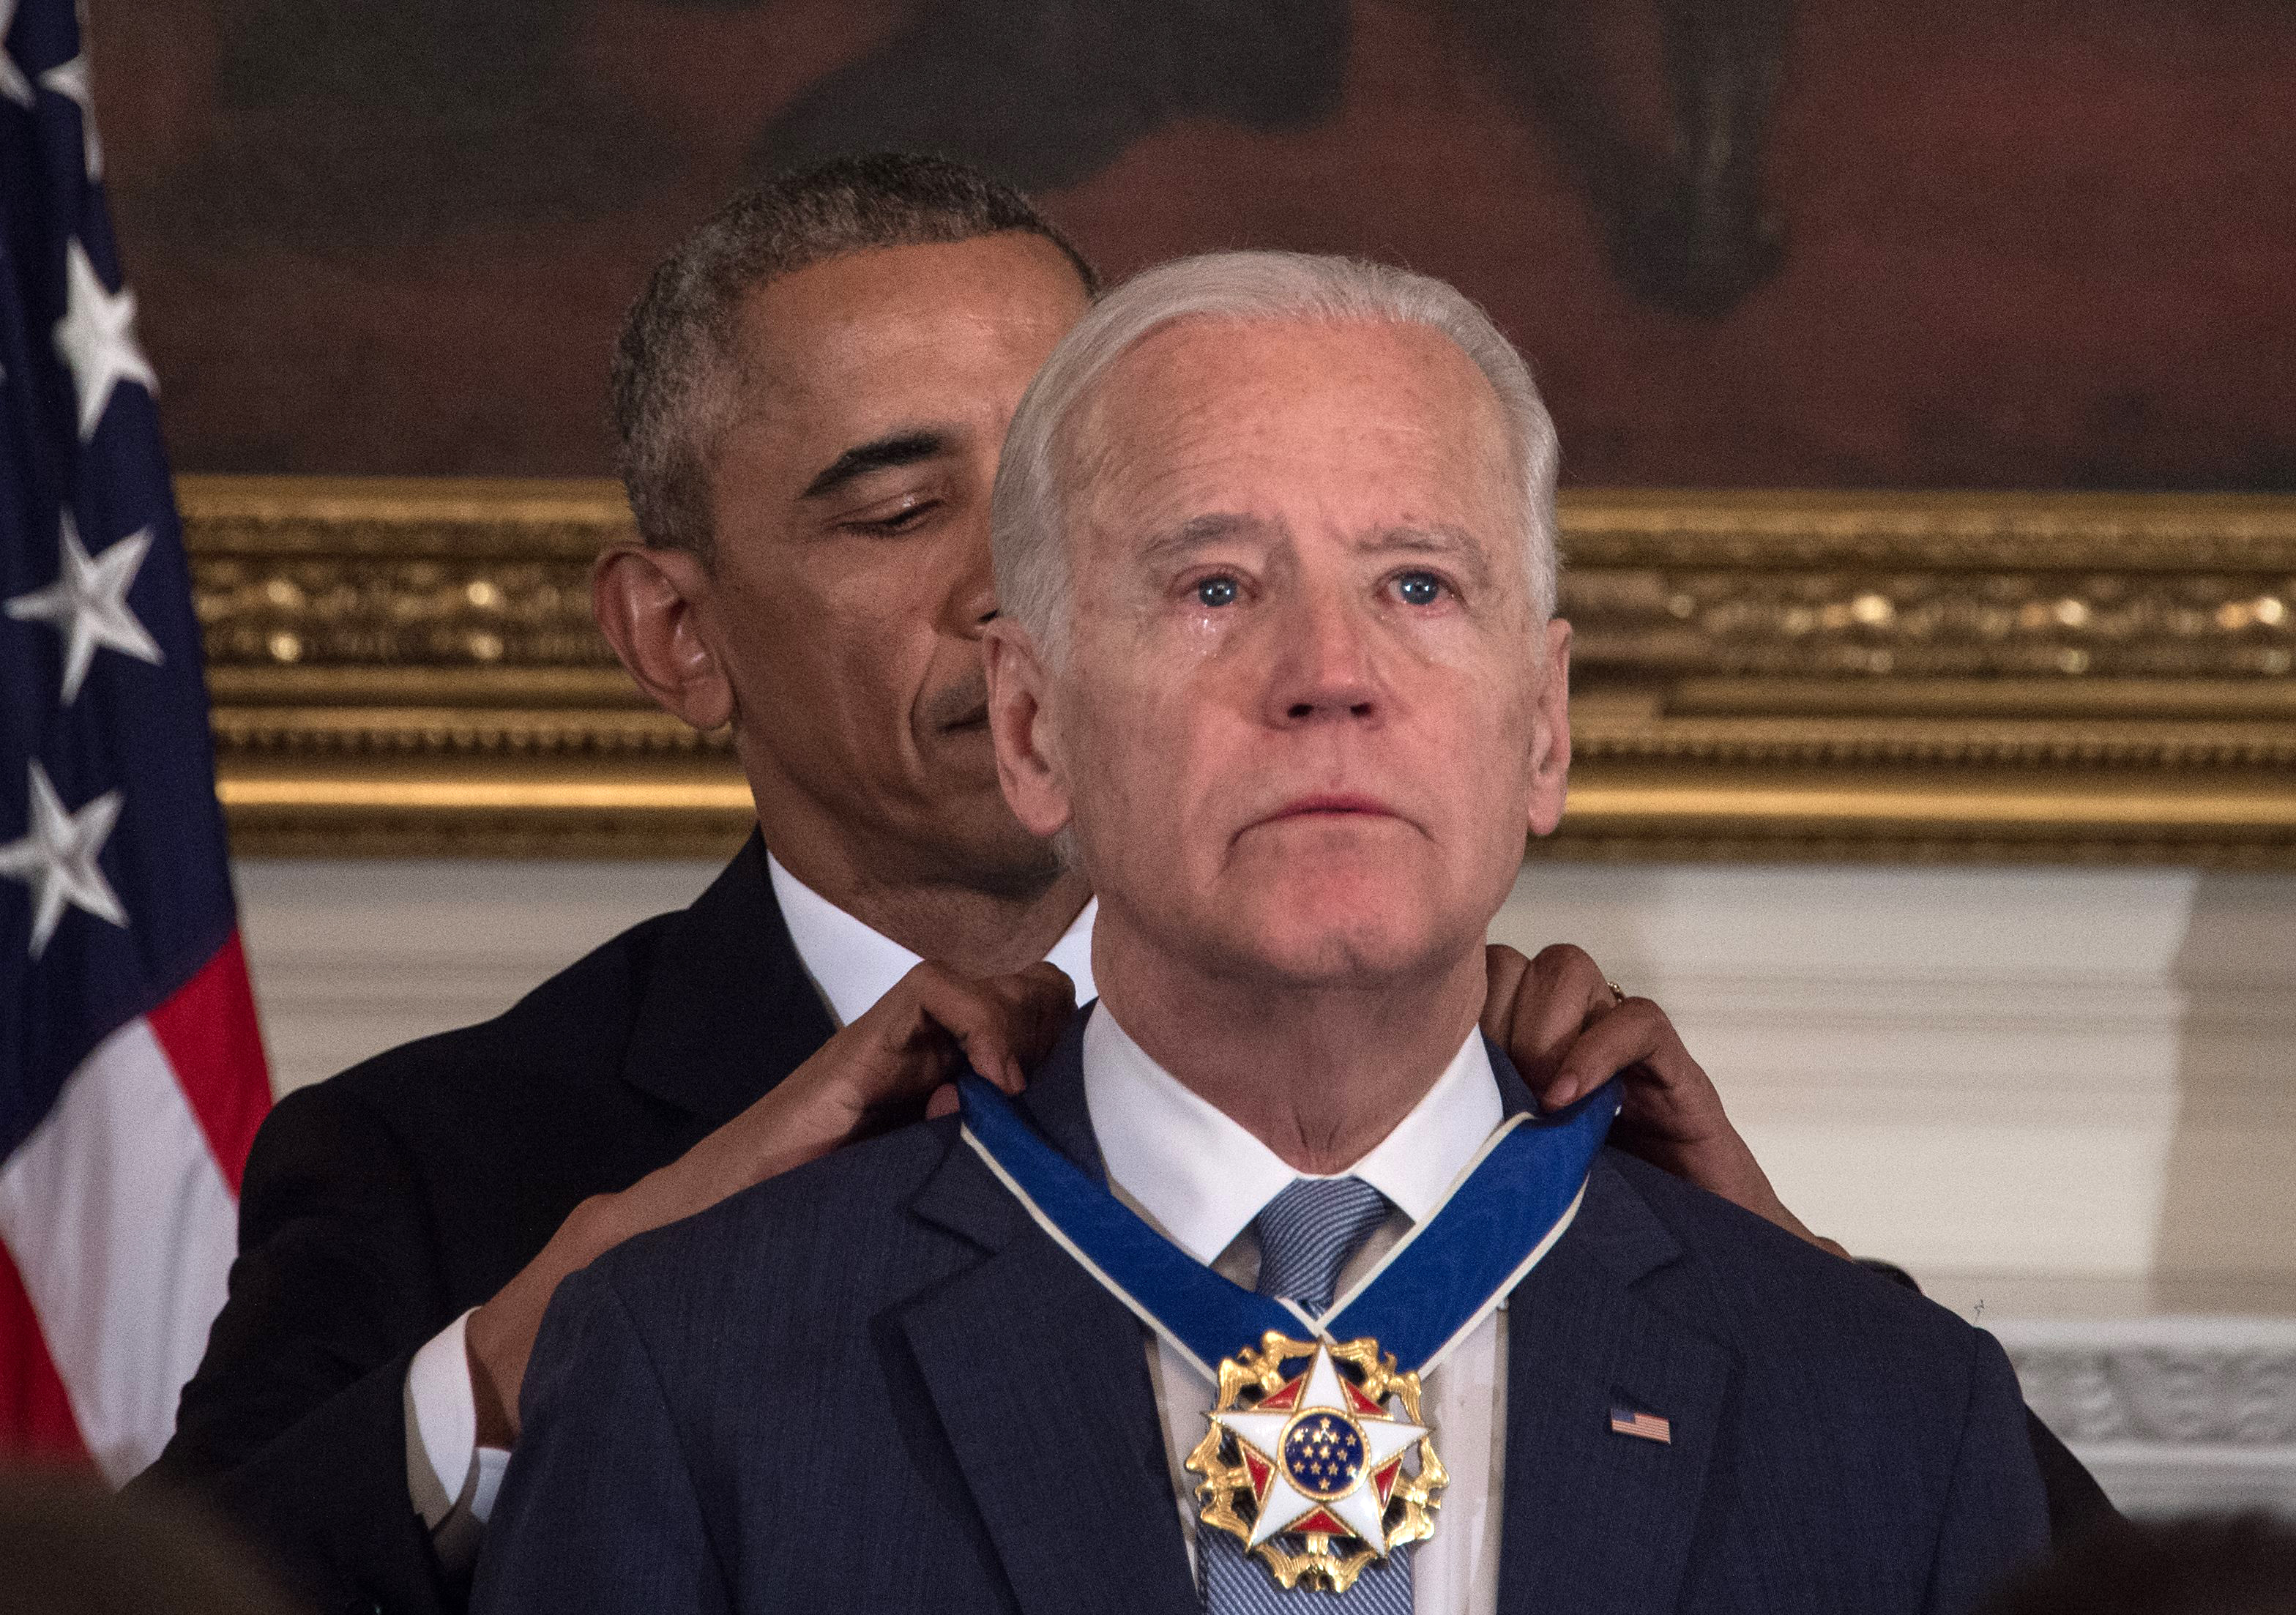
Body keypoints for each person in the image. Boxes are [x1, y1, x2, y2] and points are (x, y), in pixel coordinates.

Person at [136, 158, 1818, 1615]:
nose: (1010, 576)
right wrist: (525, 1356)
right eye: (896, 508)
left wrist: (1773, 1272)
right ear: (676, 631)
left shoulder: (1520, 1109)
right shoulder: (445, 1165)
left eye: (1071, 498)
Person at [471, 250, 2053, 1614]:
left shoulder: (1885, 1410)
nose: (1328, 672)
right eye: (1215, 587)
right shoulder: (697, 1367)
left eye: (1417, 584)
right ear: (1030, 728)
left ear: (1543, 728)